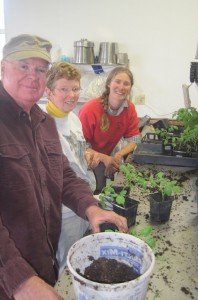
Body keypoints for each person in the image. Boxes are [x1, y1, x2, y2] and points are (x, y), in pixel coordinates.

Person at [0, 34, 128, 300]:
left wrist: (90, 207)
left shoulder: (44, 123)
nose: (33, 75)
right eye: (24, 66)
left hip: (42, 262)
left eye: (40, 69)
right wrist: (20, 281)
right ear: (3, 68)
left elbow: (63, 175)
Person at [44, 61, 100, 276]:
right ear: (48, 91)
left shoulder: (73, 118)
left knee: (77, 258)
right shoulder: (42, 126)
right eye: (63, 89)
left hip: (82, 202)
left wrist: (86, 155)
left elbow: (77, 149)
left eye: (75, 88)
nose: (72, 95)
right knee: (64, 267)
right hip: (63, 211)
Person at [78, 66, 142, 192]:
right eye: (117, 81)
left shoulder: (129, 109)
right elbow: (79, 146)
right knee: (90, 193)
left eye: (126, 84)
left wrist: (118, 155)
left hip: (107, 156)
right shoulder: (90, 109)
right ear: (108, 84)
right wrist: (104, 158)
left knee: (106, 192)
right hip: (86, 161)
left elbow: (134, 139)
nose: (121, 87)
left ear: (130, 88)